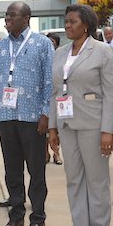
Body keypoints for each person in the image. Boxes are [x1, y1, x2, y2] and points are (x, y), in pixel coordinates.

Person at [48, 5, 113, 226]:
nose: (67, 26)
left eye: (72, 22)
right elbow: (56, 91)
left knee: (97, 180)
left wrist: (108, 130)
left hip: (93, 124)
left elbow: (111, 93)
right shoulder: (60, 52)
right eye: (66, 22)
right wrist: (53, 127)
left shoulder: (102, 51)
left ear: (85, 25)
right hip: (66, 125)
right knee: (74, 179)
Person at [0, 1, 54, 226]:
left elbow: (50, 81)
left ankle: (38, 218)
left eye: (12, 15)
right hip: (6, 116)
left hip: (33, 117)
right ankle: (16, 216)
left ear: (26, 18)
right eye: (6, 15)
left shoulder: (42, 44)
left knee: (36, 171)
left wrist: (46, 113)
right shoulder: (0, 47)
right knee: (12, 170)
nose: (7, 19)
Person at [45, 32, 63, 166]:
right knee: (45, 129)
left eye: (53, 42)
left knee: (58, 129)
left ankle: (57, 154)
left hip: (59, 98)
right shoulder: (43, 56)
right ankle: (45, 153)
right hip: (45, 98)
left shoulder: (61, 57)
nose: (50, 44)